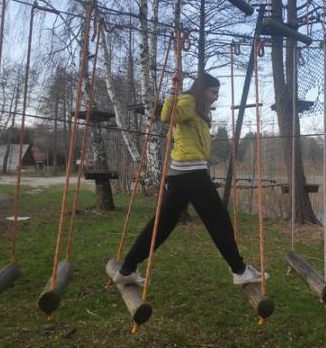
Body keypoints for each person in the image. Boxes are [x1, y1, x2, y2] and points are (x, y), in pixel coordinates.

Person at [113, 72, 268, 286]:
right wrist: (174, 92)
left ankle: (127, 269)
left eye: (217, 93)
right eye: (213, 92)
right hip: (191, 174)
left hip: (182, 175)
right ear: (202, 89)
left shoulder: (199, 109)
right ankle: (239, 270)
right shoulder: (189, 101)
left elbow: (182, 133)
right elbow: (168, 116)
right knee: (219, 220)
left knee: (162, 225)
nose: (215, 97)